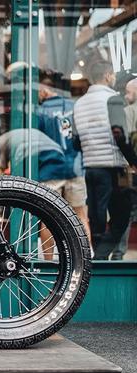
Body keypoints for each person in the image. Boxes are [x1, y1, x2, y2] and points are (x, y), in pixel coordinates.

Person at [73, 61, 131, 260]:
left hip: (90, 166)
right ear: (107, 75)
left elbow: (75, 141)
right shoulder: (113, 99)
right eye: (113, 75)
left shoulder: (79, 103)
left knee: (96, 215)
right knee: (122, 215)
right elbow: (120, 135)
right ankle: (101, 256)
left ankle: (98, 259)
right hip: (113, 167)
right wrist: (133, 160)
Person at [36, 78, 90, 258]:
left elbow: (36, 142)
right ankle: (85, 259)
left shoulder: (40, 111)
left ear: (45, 90)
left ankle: (48, 262)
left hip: (50, 170)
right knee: (80, 216)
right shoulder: (75, 107)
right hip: (75, 168)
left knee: (48, 218)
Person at [110, 79, 137, 259]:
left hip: (130, 170)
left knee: (125, 212)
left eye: (129, 92)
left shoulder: (128, 112)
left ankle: (118, 254)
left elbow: (122, 142)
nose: (126, 96)